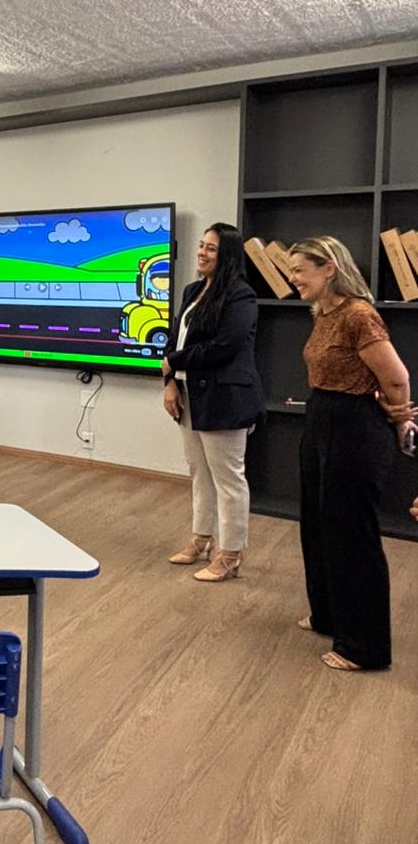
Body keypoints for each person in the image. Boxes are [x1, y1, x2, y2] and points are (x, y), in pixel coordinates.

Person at [288, 237, 411, 671]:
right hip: (323, 418)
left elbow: (396, 379)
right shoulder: (323, 313)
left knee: (352, 535)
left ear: (329, 268)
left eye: (299, 269)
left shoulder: (359, 315)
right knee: (318, 524)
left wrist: (400, 419)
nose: (292, 278)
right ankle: (328, 616)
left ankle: (364, 647)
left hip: (355, 428)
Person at [162, 223, 265, 582]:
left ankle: (230, 555)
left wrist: (174, 362)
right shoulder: (192, 290)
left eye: (211, 248)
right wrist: (170, 382)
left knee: (228, 479)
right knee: (199, 472)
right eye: (201, 245)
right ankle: (201, 540)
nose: (201, 253)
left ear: (228, 256)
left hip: (225, 399)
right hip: (190, 394)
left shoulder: (241, 296)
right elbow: (174, 339)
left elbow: (225, 346)